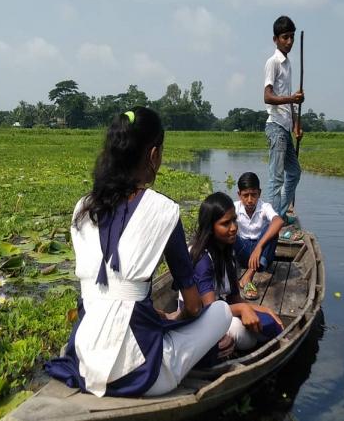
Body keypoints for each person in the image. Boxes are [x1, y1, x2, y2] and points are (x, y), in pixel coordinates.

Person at [45, 107, 232, 397]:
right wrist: (172, 319)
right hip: (144, 377)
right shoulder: (163, 210)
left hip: (83, 365)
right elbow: (194, 306)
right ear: (153, 155)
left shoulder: (82, 208)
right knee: (221, 312)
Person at [183, 192, 283, 353]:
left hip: (219, 308)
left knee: (268, 322)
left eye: (234, 220)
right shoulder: (202, 258)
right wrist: (243, 310)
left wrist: (260, 309)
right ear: (210, 228)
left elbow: (234, 297)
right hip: (199, 316)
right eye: (225, 223)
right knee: (243, 335)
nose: (234, 227)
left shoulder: (227, 251)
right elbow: (209, 309)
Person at [264, 15, 304, 219]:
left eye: (292, 38)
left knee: (295, 173)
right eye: (285, 37)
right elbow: (267, 96)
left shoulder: (288, 64)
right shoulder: (274, 63)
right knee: (276, 178)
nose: (289, 42)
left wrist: (296, 124)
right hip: (275, 127)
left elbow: (290, 102)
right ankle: (272, 222)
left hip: (285, 128)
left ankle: (278, 215)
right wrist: (292, 97)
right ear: (275, 39)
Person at [233, 172, 285, 300]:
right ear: (239, 194)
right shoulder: (234, 207)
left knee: (271, 229)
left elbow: (279, 221)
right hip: (243, 254)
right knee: (230, 231)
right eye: (245, 195)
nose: (250, 200)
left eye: (253, 195)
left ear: (259, 193)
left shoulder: (265, 207)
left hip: (262, 258)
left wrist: (259, 247)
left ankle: (248, 276)